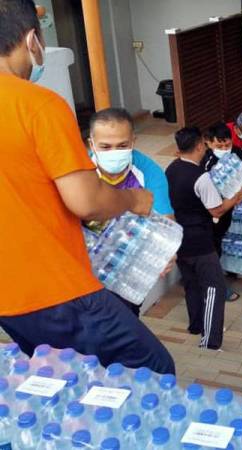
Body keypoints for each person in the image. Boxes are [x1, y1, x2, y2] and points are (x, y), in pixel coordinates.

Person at [0, 0, 174, 373]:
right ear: (32, 40)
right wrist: (133, 199)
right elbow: (87, 201)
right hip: (56, 289)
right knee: (153, 368)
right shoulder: (37, 105)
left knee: (68, 374)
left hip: (8, 301)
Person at [87, 107, 176, 316]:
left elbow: (165, 225)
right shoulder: (79, 173)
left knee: (126, 318)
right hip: (85, 270)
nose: (114, 153)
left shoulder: (148, 172)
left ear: (133, 142)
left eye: (122, 145)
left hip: (127, 269)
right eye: (105, 147)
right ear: (92, 144)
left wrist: (166, 253)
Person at [166, 127, 242, 349]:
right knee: (214, 287)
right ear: (200, 146)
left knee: (191, 283)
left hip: (179, 237)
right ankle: (210, 340)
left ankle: (196, 325)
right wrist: (235, 198)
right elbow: (216, 210)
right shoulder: (200, 177)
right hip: (200, 240)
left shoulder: (171, 169)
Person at [203, 123, 242, 301]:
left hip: (228, 211)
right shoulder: (205, 162)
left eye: (227, 145)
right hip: (211, 213)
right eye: (219, 146)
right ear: (209, 143)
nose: (224, 150)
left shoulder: (236, 153)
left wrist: (241, 194)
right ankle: (217, 286)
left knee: (218, 242)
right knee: (211, 249)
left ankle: (216, 277)